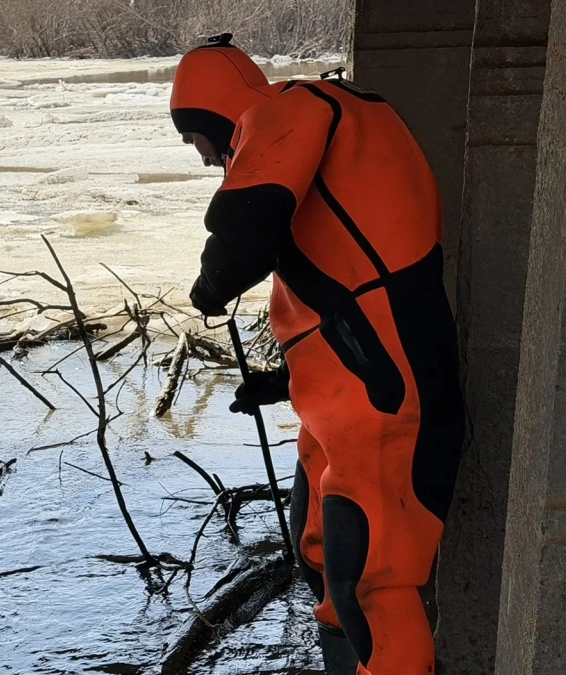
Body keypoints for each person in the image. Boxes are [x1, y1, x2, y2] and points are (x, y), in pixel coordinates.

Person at [169, 34, 466, 675]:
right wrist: (284, 383)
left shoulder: (293, 110)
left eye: (193, 138)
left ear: (213, 113)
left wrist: (210, 285)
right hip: (353, 398)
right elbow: (349, 288)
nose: (201, 158)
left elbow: (248, 226)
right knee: (325, 563)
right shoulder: (336, 120)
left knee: (373, 585)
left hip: (384, 401)